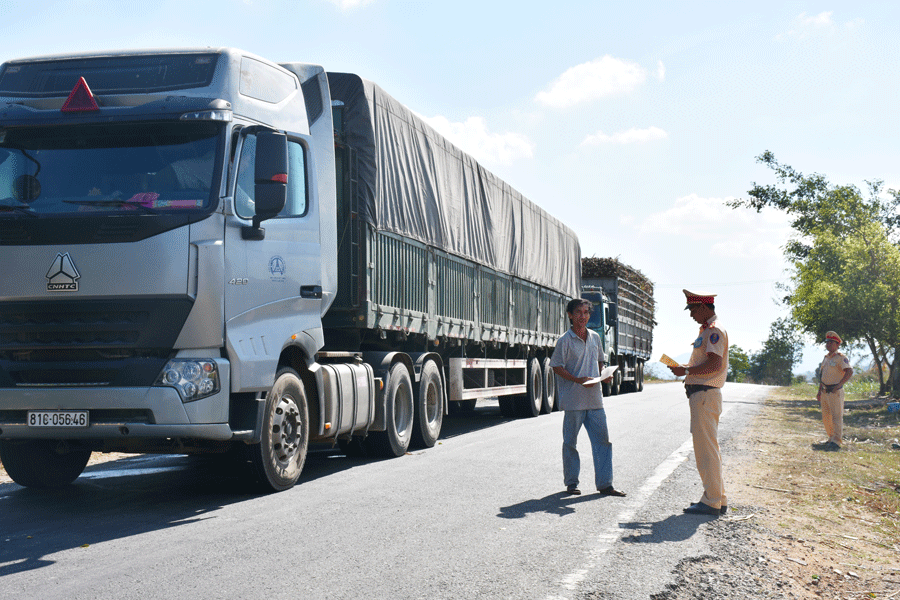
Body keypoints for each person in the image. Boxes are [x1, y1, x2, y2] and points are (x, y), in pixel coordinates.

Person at [550, 298, 625, 497]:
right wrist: (576, 379)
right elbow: (557, 366)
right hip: (574, 401)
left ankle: (605, 485)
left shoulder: (594, 337)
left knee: (603, 442)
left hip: (595, 400)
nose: (582, 316)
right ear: (570, 315)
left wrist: (604, 376)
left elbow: (600, 361)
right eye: (578, 312)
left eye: (586, 312)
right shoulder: (564, 340)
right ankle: (572, 483)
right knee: (570, 443)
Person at [667, 290, 729, 516]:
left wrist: (685, 370)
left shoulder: (714, 331)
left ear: (704, 307)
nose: (691, 314)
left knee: (706, 451)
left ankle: (711, 500)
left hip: (704, 394)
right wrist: (685, 368)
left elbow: (714, 365)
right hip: (703, 395)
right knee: (710, 448)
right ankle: (718, 497)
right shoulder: (707, 330)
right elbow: (707, 362)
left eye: (693, 309)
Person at [814, 331, 853, 451]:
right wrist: (819, 391)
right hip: (825, 391)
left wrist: (840, 384)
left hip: (835, 391)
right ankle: (830, 438)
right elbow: (823, 376)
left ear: (837, 344)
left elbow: (849, 371)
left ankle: (836, 441)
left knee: (836, 417)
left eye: (831, 342)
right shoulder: (826, 358)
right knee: (826, 416)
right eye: (827, 342)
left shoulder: (841, 358)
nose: (828, 345)